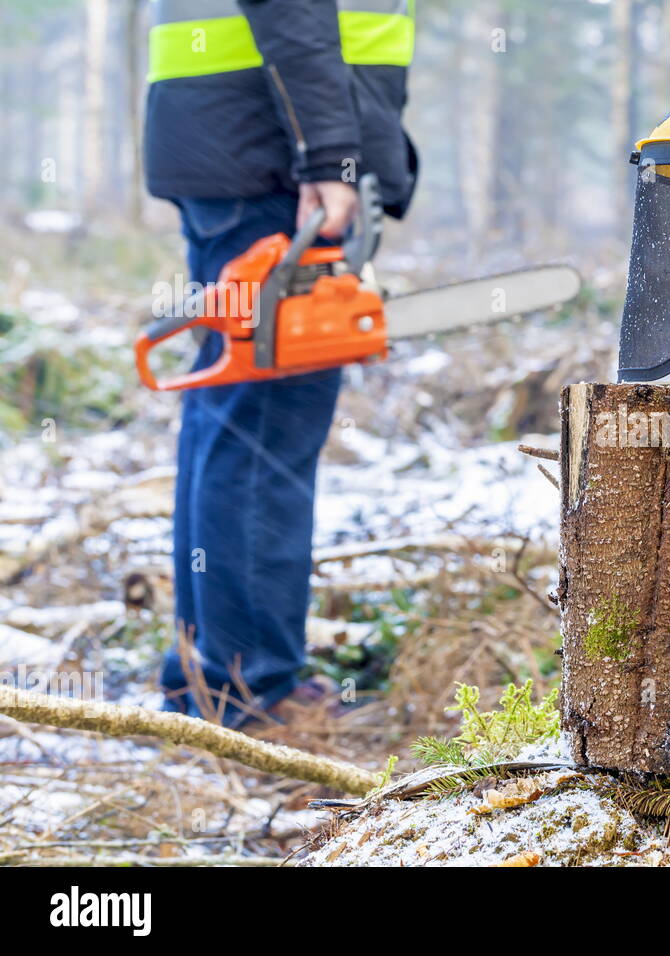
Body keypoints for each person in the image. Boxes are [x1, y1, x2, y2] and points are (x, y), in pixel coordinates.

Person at [143, 0, 418, 725]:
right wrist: (329, 154)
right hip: (272, 150)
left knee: (231, 418)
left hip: (244, 136)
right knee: (263, 429)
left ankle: (208, 679)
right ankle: (253, 695)